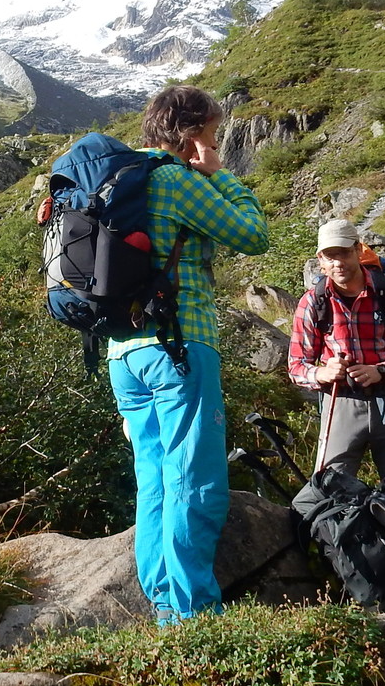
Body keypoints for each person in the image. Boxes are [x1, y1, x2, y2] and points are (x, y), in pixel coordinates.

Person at [108, 85, 269, 624]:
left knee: (154, 477)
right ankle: (190, 614)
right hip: (179, 343)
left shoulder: (120, 179)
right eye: (213, 132)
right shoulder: (174, 179)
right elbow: (252, 235)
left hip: (122, 352)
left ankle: (161, 604)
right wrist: (219, 172)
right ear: (192, 134)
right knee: (195, 478)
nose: (215, 141)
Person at [287, 219, 385, 496]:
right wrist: (321, 373)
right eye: (330, 256)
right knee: (330, 486)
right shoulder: (313, 302)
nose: (338, 262)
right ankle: (343, 538)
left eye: (343, 253)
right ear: (321, 261)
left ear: (358, 250)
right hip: (340, 401)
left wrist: (383, 370)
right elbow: (296, 365)